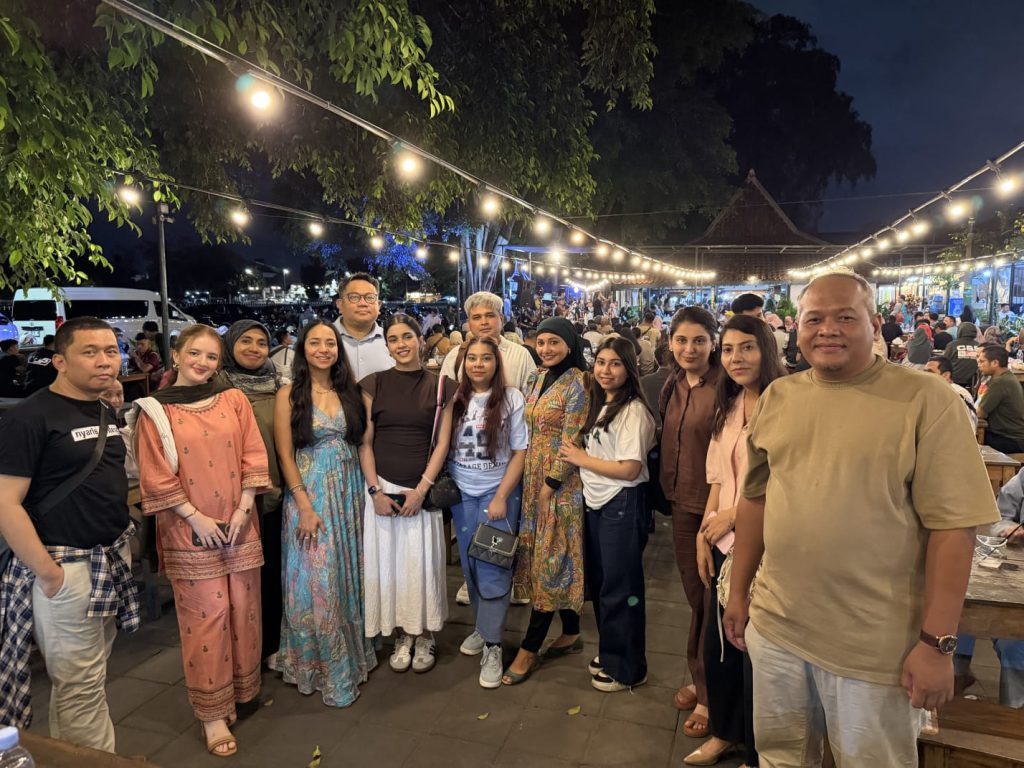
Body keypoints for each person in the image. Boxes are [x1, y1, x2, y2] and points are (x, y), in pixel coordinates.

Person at [722, 271, 999, 766]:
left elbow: (955, 528)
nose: (828, 329)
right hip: (778, 628)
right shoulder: (780, 398)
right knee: (780, 758)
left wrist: (937, 646)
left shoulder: (927, 401)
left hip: (876, 648)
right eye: (814, 319)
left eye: (845, 317)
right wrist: (740, 593)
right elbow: (756, 502)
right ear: (797, 329)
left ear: (874, 326)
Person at [0, 317, 139, 751]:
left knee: (86, 679)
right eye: (89, 352)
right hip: (66, 569)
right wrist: (49, 573)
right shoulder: (31, 417)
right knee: (81, 686)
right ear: (59, 361)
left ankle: (73, 757)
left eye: (111, 351)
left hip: (109, 560)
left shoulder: (101, 408)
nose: (105, 361)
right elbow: (5, 502)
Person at [134, 325, 270, 757]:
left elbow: (253, 453)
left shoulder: (233, 399)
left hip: (239, 524)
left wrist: (244, 508)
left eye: (211, 356)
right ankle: (211, 713)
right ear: (176, 354)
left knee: (244, 609)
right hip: (189, 530)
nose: (203, 363)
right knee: (207, 617)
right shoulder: (155, 410)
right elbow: (154, 474)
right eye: (194, 353)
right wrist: (196, 518)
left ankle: (240, 692)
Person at [686, 315, 784, 767]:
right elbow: (717, 478)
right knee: (720, 645)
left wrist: (732, 517)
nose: (735, 358)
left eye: (747, 347)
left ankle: (759, 750)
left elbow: (785, 481)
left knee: (757, 653)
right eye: (727, 349)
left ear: (767, 350)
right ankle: (725, 732)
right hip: (723, 543)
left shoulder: (783, 405)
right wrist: (705, 532)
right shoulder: (728, 405)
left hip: (766, 546)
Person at [271, 320, 376, 706]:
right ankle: (323, 666)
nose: (323, 349)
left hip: (349, 493)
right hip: (310, 493)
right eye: (314, 343)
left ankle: (355, 654)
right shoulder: (289, 394)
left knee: (349, 573)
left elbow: (365, 445)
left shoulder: (354, 392)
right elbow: (285, 454)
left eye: (329, 343)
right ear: (303, 349)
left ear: (338, 349)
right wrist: (302, 504)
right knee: (316, 580)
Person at [358, 314, 456, 675]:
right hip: (382, 488)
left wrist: (422, 489)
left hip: (421, 489)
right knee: (390, 565)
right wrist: (375, 491)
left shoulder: (443, 386)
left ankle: (425, 634)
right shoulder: (373, 384)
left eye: (407, 337)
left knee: (422, 565)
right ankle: (401, 634)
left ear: (420, 340)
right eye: (393, 339)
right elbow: (365, 442)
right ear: (387, 346)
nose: (401, 344)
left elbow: (443, 443)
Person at [559, 337, 656, 692]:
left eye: (615, 363)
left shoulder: (633, 411)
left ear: (629, 368)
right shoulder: (603, 404)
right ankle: (612, 651)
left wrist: (581, 459)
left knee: (621, 587)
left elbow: (630, 469)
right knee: (603, 585)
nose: (605, 370)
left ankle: (629, 668)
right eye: (601, 362)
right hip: (598, 503)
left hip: (622, 503)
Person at [503, 317, 590, 685]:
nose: (546, 349)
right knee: (547, 556)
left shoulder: (579, 383)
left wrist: (548, 486)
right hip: (533, 479)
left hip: (560, 487)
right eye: (541, 342)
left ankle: (529, 648)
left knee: (549, 562)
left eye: (554, 342)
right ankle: (570, 631)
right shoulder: (539, 377)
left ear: (569, 344)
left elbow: (573, 440)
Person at [447, 337, 528, 688]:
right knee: (470, 566)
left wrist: (501, 496)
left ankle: (494, 645)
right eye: (472, 358)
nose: (478, 364)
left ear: (497, 363)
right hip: (461, 494)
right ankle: (483, 628)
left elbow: (520, 452)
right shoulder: (453, 399)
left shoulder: (511, 398)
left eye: (485, 358)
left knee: (493, 567)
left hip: (497, 496)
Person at [659, 306, 721, 737]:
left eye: (699, 340)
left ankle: (711, 694)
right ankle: (702, 680)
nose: (689, 348)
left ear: (713, 343)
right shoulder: (674, 383)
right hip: (681, 503)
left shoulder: (727, 387)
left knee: (715, 600)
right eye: (681, 340)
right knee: (697, 598)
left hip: (715, 508)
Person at [217, 320, 284, 662]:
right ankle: (242, 651)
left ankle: (272, 645)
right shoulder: (215, 387)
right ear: (230, 344)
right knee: (238, 578)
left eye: (261, 342)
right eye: (246, 341)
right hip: (232, 497)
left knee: (272, 572)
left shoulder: (279, 384)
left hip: (275, 492)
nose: (254, 348)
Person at [440, 292, 537, 393]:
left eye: (490, 315)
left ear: (501, 319)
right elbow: (445, 397)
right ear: (469, 323)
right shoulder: (455, 356)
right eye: (477, 317)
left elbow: (533, 398)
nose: (484, 322)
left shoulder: (521, 355)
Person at [332, 273, 395, 381]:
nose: (363, 303)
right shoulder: (323, 338)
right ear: (339, 304)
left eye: (370, 297)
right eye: (354, 297)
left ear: (379, 305)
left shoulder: (393, 341)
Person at [977, 344, 1024, 453]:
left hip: (1010, 439)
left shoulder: (1000, 382)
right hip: (1013, 436)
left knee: (967, 440)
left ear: (995, 363)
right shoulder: (1007, 377)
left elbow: (980, 413)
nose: (979, 364)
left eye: (982, 361)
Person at [925, 356, 977, 430]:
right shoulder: (936, 391)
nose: (924, 375)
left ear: (946, 375)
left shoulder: (956, 394)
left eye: (929, 372)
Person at [945, 321, 980, 389]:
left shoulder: (952, 345)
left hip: (955, 380)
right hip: (974, 381)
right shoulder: (979, 346)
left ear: (959, 331)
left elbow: (945, 362)